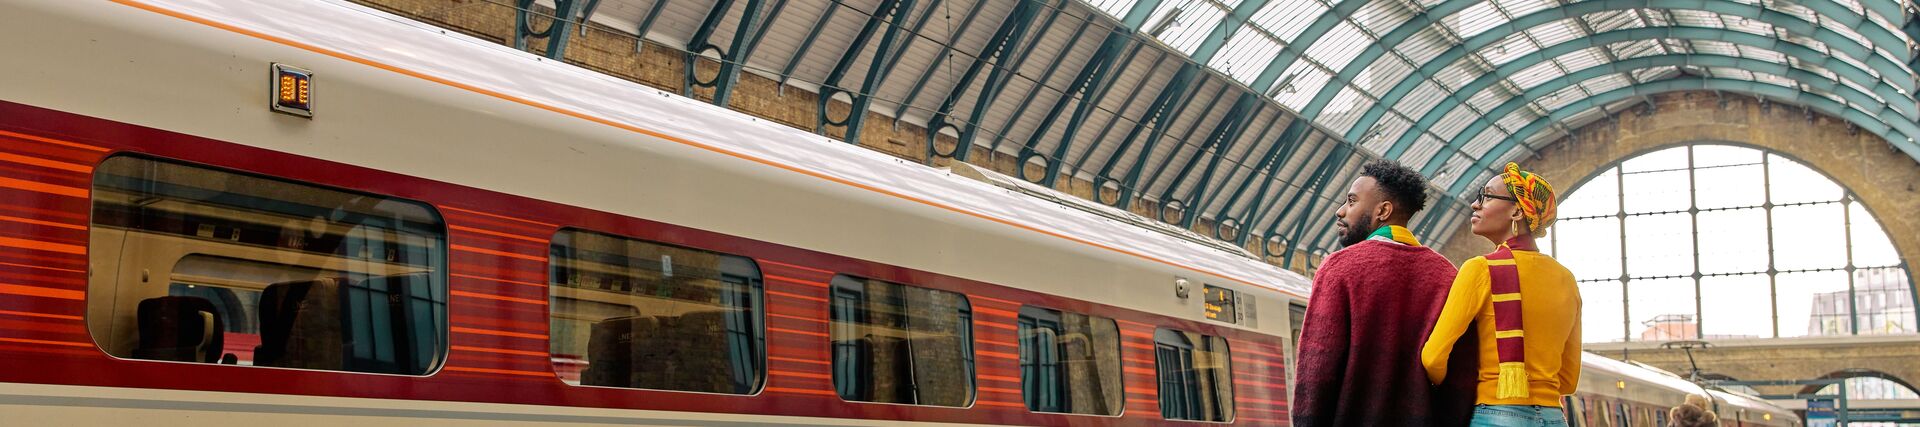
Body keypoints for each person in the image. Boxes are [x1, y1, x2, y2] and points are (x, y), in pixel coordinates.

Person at [1292, 159, 1477, 427]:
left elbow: (1317, 370)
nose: (1340, 211)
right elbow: (1462, 377)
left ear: (1383, 210)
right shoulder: (1448, 277)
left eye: (1352, 201)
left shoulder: (1339, 268)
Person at [1421, 162, 1581, 426]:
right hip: (1553, 417)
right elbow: (1569, 379)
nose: (1475, 204)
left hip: (1494, 414)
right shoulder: (1566, 279)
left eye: (1486, 196)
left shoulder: (1480, 269)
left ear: (1517, 211)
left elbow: (1433, 356)